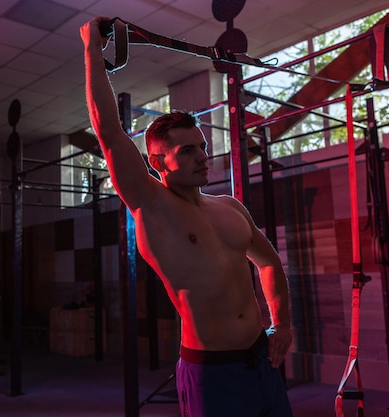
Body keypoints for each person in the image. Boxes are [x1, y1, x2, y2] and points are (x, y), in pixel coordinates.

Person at [81, 16, 293, 417]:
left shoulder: (230, 207)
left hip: (262, 359)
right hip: (211, 371)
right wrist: (92, 48)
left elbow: (269, 262)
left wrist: (281, 324)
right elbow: (109, 131)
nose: (202, 156)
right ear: (158, 161)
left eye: (202, 147)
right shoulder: (152, 205)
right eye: (188, 151)